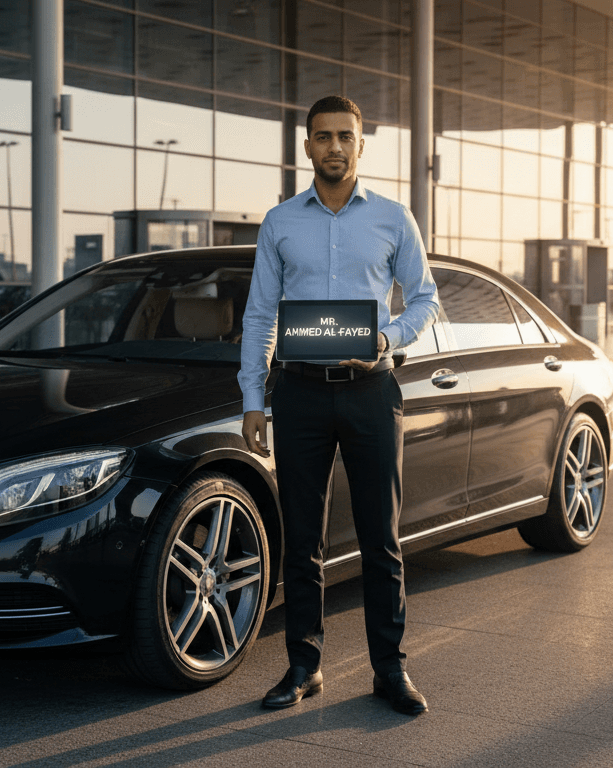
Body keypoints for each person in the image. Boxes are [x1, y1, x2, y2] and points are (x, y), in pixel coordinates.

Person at [239, 95, 440, 716]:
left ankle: (389, 669)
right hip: (298, 391)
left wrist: (384, 339)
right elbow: (259, 315)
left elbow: (427, 301)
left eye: (344, 136)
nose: (334, 146)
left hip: (371, 391)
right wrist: (253, 398)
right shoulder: (280, 222)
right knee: (302, 538)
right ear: (307, 147)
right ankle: (303, 665)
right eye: (322, 136)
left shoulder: (391, 217)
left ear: (360, 145)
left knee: (381, 537)